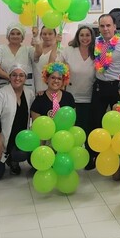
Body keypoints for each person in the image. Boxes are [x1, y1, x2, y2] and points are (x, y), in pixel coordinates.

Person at [91, 14, 120, 163]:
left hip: (116, 88)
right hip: (99, 86)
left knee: (119, 123)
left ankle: (119, 155)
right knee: (96, 120)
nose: (105, 29)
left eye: (108, 25)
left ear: (115, 27)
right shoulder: (96, 42)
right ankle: (95, 155)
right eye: (102, 26)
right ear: (99, 27)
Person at [51, 25, 97, 169]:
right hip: (70, 97)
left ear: (92, 37)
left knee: (87, 129)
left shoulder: (97, 51)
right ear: (77, 37)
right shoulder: (69, 51)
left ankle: (88, 158)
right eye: (82, 35)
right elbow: (55, 66)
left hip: (90, 97)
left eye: (87, 35)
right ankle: (67, 158)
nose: (85, 38)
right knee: (70, 130)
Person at [0, 23, 42, 91]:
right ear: (8, 36)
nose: (15, 36)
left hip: (25, 89)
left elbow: (38, 53)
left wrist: (36, 37)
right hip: (4, 88)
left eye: (18, 34)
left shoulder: (28, 50)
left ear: (22, 36)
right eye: (12, 34)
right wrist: (11, 78)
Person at [34, 26, 61, 93]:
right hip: (35, 88)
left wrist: (56, 44)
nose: (47, 36)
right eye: (44, 34)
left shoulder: (60, 50)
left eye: (50, 34)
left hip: (52, 90)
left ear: (55, 35)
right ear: (41, 35)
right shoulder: (35, 48)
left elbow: (51, 66)